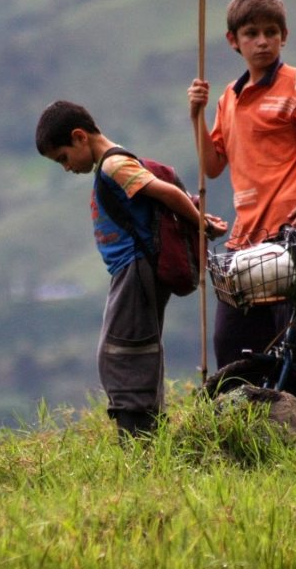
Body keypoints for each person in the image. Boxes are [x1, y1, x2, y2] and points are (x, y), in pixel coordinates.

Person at [35, 100, 228, 442]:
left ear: (80, 137)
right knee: (134, 345)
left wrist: (199, 224)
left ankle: (140, 438)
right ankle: (147, 428)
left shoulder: (113, 166)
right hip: (131, 271)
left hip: (136, 269)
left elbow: (166, 192)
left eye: (63, 157)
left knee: (123, 351)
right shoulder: (113, 165)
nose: (65, 167)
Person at [187, 0, 296, 418]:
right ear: (234, 41)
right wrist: (196, 115)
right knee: (233, 346)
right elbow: (213, 166)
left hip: (292, 239)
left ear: (284, 36)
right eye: (252, 33)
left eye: (271, 32)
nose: (262, 41)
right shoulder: (230, 98)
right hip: (245, 242)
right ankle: (244, 432)